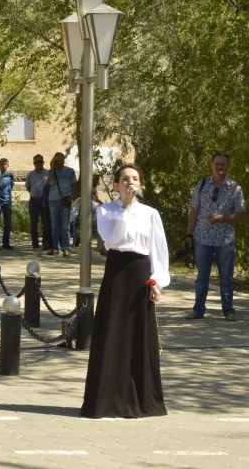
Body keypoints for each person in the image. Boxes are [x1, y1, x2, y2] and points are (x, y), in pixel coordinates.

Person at [81, 163, 170, 419]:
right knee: (112, 330)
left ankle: (141, 400)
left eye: (135, 179)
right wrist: (124, 207)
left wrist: (157, 282)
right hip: (117, 272)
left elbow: (158, 250)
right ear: (117, 184)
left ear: (140, 183)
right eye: (125, 179)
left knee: (138, 334)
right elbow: (113, 240)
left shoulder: (151, 213)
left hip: (141, 273)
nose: (130, 183)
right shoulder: (107, 212)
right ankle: (108, 399)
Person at [183, 151, 246, 321]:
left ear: (227, 166)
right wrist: (188, 235)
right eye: (217, 164)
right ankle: (198, 309)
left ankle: (228, 310)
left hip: (225, 240)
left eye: (223, 164)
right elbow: (194, 211)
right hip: (202, 238)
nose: (220, 167)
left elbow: (241, 214)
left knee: (226, 276)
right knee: (202, 276)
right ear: (211, 165)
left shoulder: (235, 188)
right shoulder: (202, 185)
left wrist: (221, 218)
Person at [46, 152, 76, 256]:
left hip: (65, 200)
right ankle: (55, 247)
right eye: (54, 160)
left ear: (62, 161)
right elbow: (49, 182)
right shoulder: (51, 171)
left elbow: (74, 185)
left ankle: (66, 248)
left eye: (57, 160)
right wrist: (52, 169)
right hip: (53, 200)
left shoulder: (70, 171)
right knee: (54, 225)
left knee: (65, 225)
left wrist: (71, 197)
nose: (55, 162)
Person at [25, 154, 50, 250]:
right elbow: (28, 187)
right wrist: (35, 193)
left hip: (44, 201)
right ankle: (35, 243)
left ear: (43, 162)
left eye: (40, 161)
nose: (39, 163)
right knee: (33, 222)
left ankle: (45, 243)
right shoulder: (30, 174)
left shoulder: (47, 173)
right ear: (34, 163)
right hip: (34, 201)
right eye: (36, 162)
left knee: (45, 222)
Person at [0, 158, 15, 249]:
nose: (4, 165)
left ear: (8, 165)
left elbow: (11, 186)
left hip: (7, 201)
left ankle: (6, 243)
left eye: (5, 164)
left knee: (7, 223)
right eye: (2, 164)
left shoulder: (10, 175)